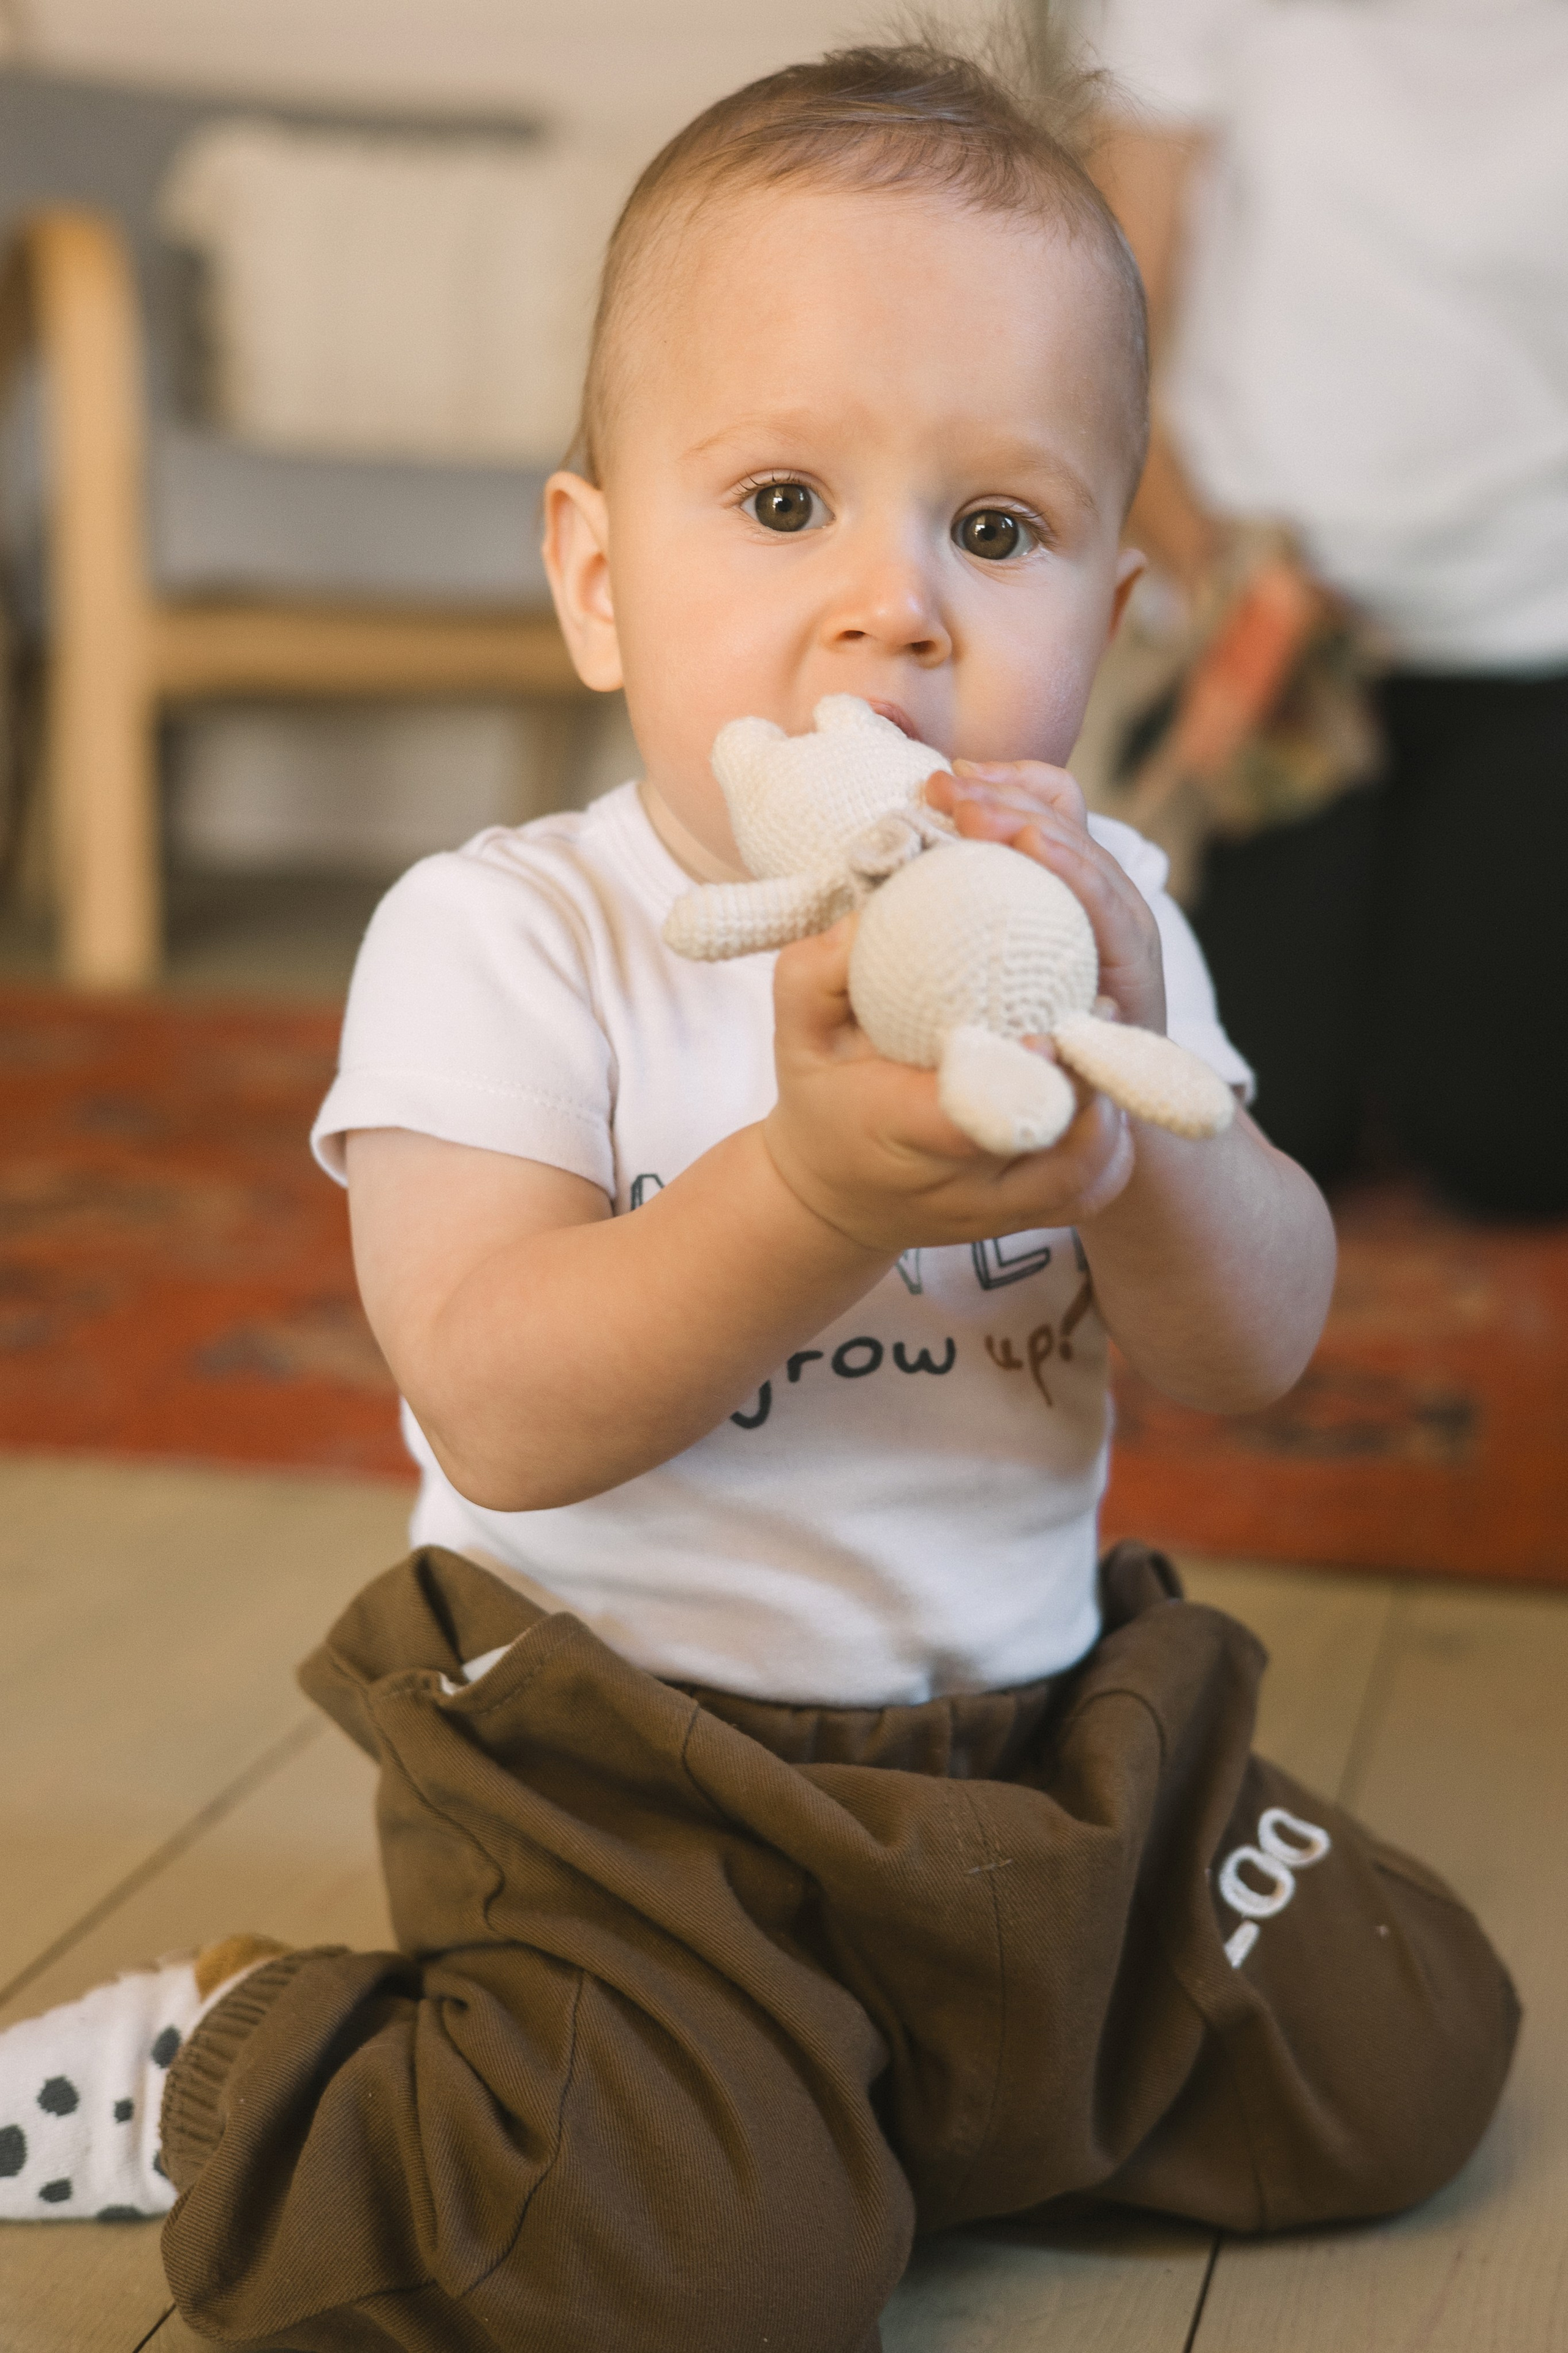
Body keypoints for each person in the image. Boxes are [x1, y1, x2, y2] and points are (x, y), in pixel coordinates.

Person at [0, 43, 1517, 2352]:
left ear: (1107, 622)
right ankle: (252, 2065)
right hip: (625, 1782)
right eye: (787, 502)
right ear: (600, 580)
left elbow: (1258, 1337)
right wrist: (810, 1185)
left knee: (1413, 2035)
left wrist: (1139, 1174)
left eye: (993, 533)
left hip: (1028, 1754)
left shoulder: (1100, 909)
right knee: (725, 2277)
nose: (894, 610)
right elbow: (501, 1401)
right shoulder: (511, 935)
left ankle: (873, 2079)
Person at [1085, 0, 1568, 1214]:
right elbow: (1103, 307)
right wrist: (1210, 571)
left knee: (1509, 1151)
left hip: (1529, 631)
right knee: (1239, 1117)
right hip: (1262, 620)